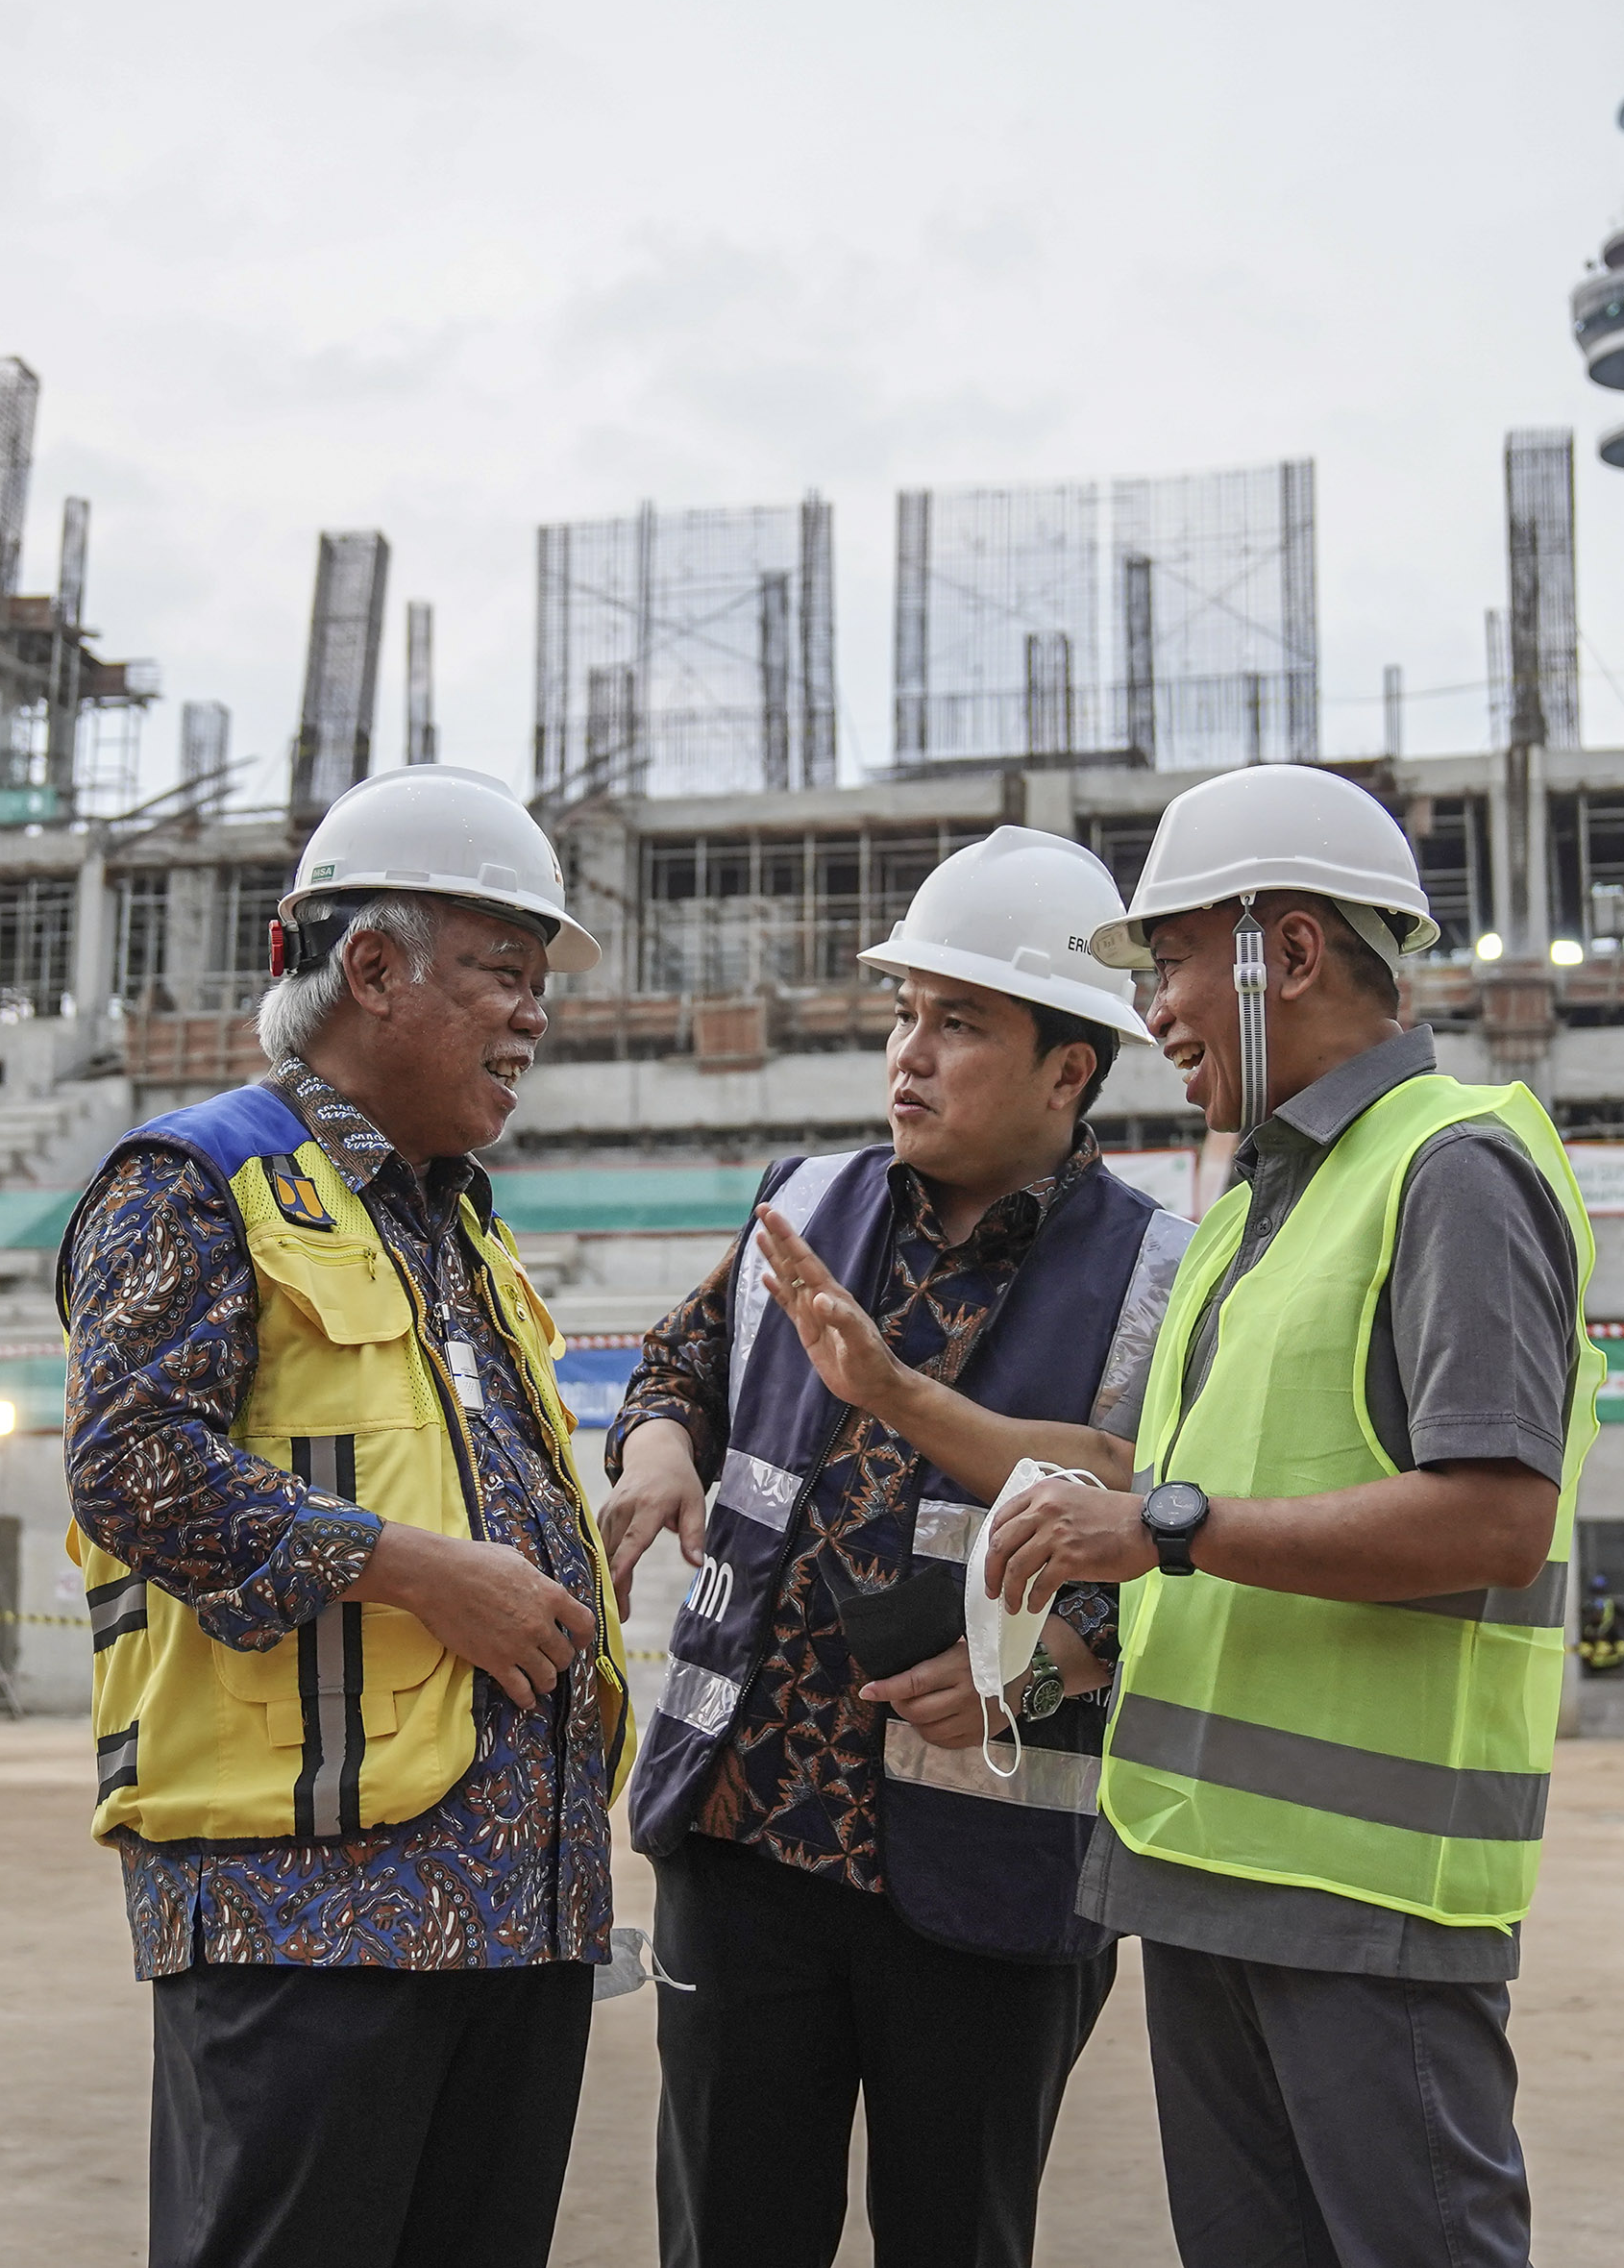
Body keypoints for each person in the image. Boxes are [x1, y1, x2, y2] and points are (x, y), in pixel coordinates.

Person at [982, 762, 1604, 2268]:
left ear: (1291, 952)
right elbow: (1216, 1515)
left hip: (1365, 1905)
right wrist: (1078, 1642)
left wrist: (1166, 1528)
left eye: (1179, 960)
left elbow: (1493, 1520)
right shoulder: (1258, 1205)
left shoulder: (1452, 1166)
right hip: (1208, 1878)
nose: (1159, 1013)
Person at [58, 764, 629, 2268]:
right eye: (506, 973)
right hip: (308, 1911)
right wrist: (422, 1576)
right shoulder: (196, 1184)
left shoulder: (455, 1226)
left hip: (515, 1908)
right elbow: (131, 1463)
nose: (536, 1014)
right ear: (372, 969)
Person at [601, 826, 1191, 2268]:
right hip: (743, 1841)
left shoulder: (1163, 1282)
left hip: (989, 1882)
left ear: (1071, 1070)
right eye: (904, 1014)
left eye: (960, 1022)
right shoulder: (804, 1204)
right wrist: (661, 1446)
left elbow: (1190, 1555)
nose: (907, 1056)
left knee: (960, 2240)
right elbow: (679, 1364)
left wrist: (1043, 1674)